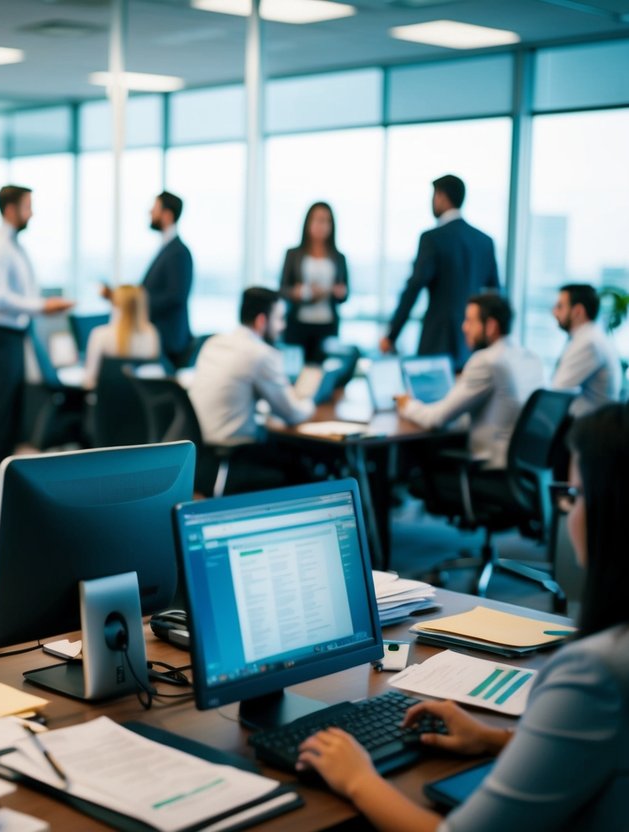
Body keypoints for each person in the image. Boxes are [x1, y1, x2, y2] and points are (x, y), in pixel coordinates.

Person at [295, 401, 629, 831]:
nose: (569, 513)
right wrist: (493, 740)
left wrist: (357, 778)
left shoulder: (596, 673)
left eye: (576, 495)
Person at [0, 185, 74, 524]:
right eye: (28, 206)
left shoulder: (14, 247)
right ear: (10, 209)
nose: (32, 213)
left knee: (11, 420)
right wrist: (43, 306)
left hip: (13, 338)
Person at [397, 293, 542, 469]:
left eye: (470, 321)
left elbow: (436, 419)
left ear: (490, 326)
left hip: (489, 469)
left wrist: (406, 404)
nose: (464, 327)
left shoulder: (486, 360)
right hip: (524, 468)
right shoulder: (531, 358)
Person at [381, 175, 499, 371]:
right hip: (473, 342)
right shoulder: (485, 241)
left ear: (441, 197)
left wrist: (391, 335)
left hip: (438, 339)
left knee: (430, 397)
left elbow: (414, 287)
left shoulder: (432, 238)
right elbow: (494, 294)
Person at [189, 287, 315, 446]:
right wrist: (309, 400)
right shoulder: (260, 354)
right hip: (236, 451)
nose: (282, 326)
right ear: (261, 321)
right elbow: (292, 413)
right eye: (279, 319)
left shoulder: (213, 343)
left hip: (200, 450)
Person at [104, 192, 193, 367]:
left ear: (167, 215)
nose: (150, 213)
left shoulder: (178, 252)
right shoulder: (167, 249)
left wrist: (138, 304)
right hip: (159, 339)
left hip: (168, 342)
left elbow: (176, 296)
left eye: (155, 209)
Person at [279, 202, 349, 364]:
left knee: (322, 372)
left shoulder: (338, 257)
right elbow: (283, 289)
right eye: (318, 220)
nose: (322, 225)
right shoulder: (293, 254)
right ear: (308, 223)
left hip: (327, 325)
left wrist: (339, 293)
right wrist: (299, 292)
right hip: (298, 325)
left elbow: (345, 294)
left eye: (326, 221)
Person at [552, 283, 622, 417]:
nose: (554, 312)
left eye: (560, 306)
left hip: (590, 430)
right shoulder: (590, 336)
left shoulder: (588, 343)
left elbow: (557, 393)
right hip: (589, 425)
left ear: (578, 311)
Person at [82, 284, 161, 389]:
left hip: (107, 403)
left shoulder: (100, 335)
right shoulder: (151, 333)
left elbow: (89, 380)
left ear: (115, 304)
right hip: (141, 403)